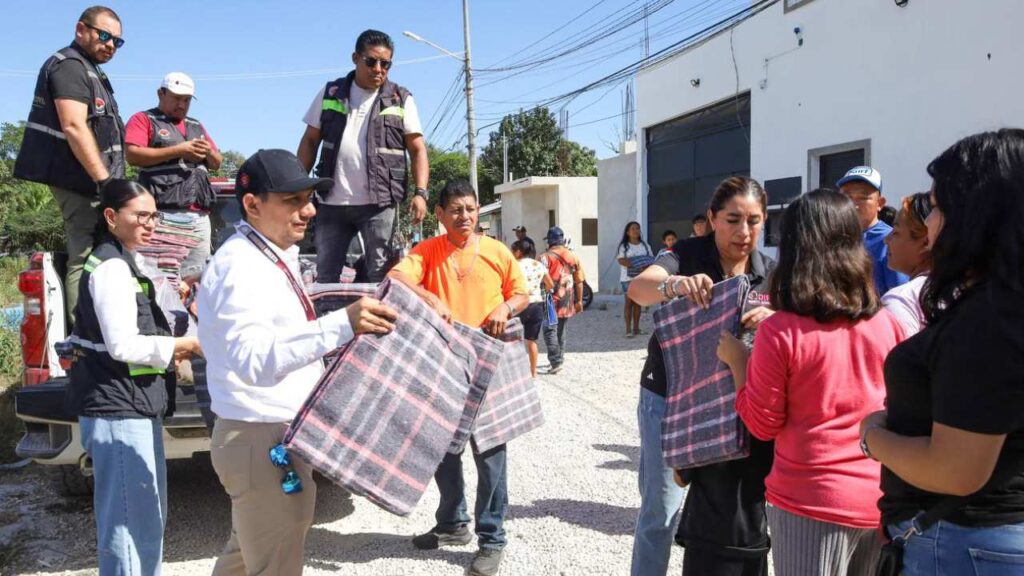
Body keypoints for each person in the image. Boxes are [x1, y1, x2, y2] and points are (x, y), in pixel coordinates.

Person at [198, 149, 398, 576]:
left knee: (245, 558)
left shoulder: (268, 254)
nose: (308, 211)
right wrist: (341, 325)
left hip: (270, 434)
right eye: (292, 201)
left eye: (309, 198)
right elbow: (252, 360)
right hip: (258, 437)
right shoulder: (241, 266)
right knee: (275, 564)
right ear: (252, 205)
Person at [859, 129, 1024, 576]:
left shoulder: (989, 321)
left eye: (935, 206)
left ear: (975, 215)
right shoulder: (998, 304)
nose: (928, 223)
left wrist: (873, 437)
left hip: (963, 541)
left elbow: (955, 470)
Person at [717, 189, 905, 576]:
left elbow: (762, 424)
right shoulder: (888, 323)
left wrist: (740, 364)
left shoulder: (781, 332)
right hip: (877, 499)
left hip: (808, 502)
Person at [628, 176, 776, 576]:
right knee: (660, 511)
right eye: (732, 219)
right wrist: (675, 285)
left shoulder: (772, 274)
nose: (744, 232)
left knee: (730, 514)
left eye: (754, 221)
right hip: (670, 400)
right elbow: (640, 289)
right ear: (712, 218)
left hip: (738, 404)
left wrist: (777, 320)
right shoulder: (687, 255)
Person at [389, 180, 528, 576]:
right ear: (439, 214)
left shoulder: (498, 251)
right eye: (455, 209)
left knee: (490, 457)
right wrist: (429, 297)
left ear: (478, 209)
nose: (463, 216)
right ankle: (452, 523)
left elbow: (521, 294)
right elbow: (397, 279)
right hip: (443, 367)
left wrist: (505, 307)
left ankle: (492, 538)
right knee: (443, 449)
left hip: (489, 365)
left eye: (469, 208)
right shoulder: (427, 251)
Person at [65, 179, 202, 575]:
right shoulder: (109, 268)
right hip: (117, 409)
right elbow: (123, 346)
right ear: (111, 217)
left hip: (133, 406)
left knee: (145, 519)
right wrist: (184, 348)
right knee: (129, 525)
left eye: (154, 215)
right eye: (140, 215)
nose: (150, 224)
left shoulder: (128, 260)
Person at [14, 6, 126, 321]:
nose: (110, 45)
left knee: (99, 256)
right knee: (86, 257)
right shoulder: (70, 67)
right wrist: (105, 182)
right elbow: (74, 126)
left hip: (91, 182)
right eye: (104, 36)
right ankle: (83, 341)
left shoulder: (90, 70)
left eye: (117, 41)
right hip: (81, 182)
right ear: (81, 30)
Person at [297, 29, 429, 283]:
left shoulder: (400, 99)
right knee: (326, 275)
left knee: (381, 276)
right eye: (371, 61)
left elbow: (418, 149)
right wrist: (299, 190)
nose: (378, 68)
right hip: (331, 203)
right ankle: (328, 320)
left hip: (378, 206)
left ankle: (376, 324)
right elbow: (310, 140)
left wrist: (421, 193)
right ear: (355, 58)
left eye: (385, 63)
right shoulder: (330, 93)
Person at [125, 72, 222, 275]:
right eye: (177, 98)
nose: (182, 105)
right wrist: (180, 150)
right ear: (161, 94)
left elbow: (217, 163)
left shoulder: (196, 125)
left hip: (199, 216)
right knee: (161, 277)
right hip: (163, 214)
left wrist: (209, 152)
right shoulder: (144, 119)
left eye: (186, 100)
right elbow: (132, 155)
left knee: (196, 277)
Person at [837, 166, 909, 295]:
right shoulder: (832, 238)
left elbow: (900, 296)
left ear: (880, 203)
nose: (853, 204)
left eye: (863, 198)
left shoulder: (890, 240)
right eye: (846, 197)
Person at [880, 192, 933, 336]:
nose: (886, 240)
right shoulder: (967, 291)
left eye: (896, 232)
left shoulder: (902, 301)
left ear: (926, 242)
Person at [539, 226, 585, 375]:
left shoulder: (543, 257)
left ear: (550, 241)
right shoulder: (573, 256)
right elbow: (579, 281)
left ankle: (556, 361)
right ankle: (560, 358)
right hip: (567, 299)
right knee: (561, 330)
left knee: (549, 330)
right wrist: (579, 301)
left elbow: (538, 280)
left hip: (550, 300)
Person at [511, 238, 553, 378]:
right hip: (536, 305)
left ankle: (515, 372)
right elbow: (550, 284)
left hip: (518, 304)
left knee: (514, 340)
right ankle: (533, 372)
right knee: (532, 341)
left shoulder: (514, 265)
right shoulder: (539, 265)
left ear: (518, 252)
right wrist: (540, 289)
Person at [617, 221, 653, 338]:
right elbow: (621, 260)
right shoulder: (624, 246)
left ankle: (636, 328)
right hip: (627, 278)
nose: (635, 230)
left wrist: (644, 267)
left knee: (638, 303)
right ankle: (628, 329)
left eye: (637, 228)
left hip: (641, 278)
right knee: (628, 303)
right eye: (633, 228)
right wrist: (638, 265)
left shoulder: (645, 246)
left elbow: (651, 259)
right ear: (627, 232)